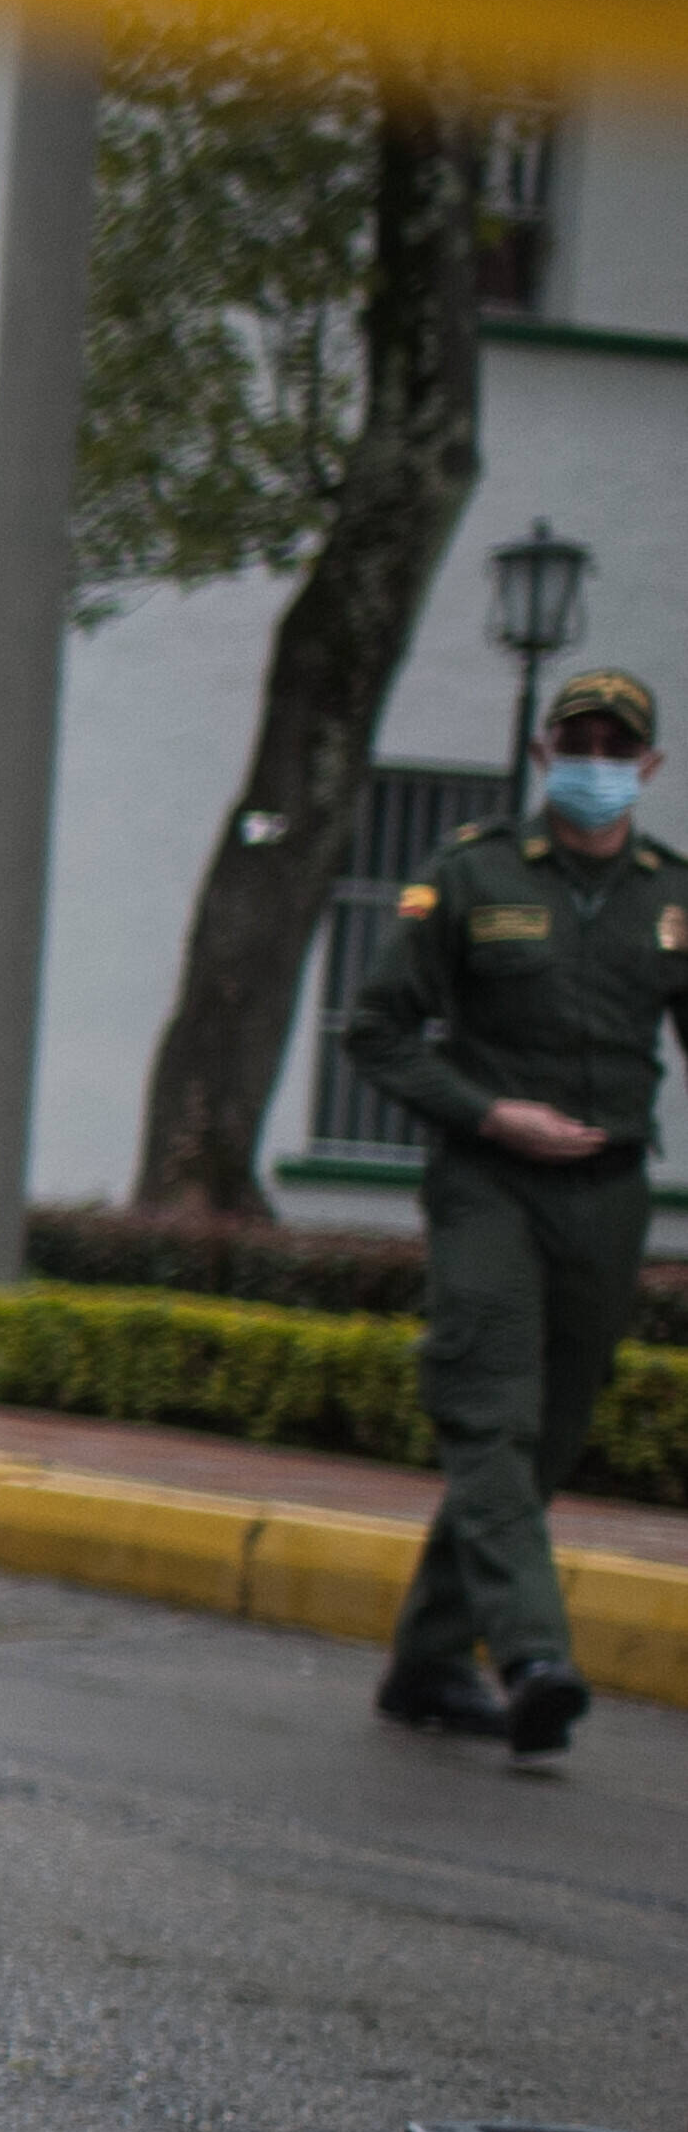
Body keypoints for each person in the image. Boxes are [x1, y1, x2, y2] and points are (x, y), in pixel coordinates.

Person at [343, 664, 679, 1759]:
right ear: (543, 755)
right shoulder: (471, 872)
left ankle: (428, 1663)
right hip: (489, 1181)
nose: (594, 763)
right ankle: (533, 1656)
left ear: (648, 765)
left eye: (615, 747)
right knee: (491, 1410)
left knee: (551, 1433)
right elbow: (377, 1030)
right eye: (575, 743)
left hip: (608, 1192)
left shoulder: (671, 898)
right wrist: (489, 1113)